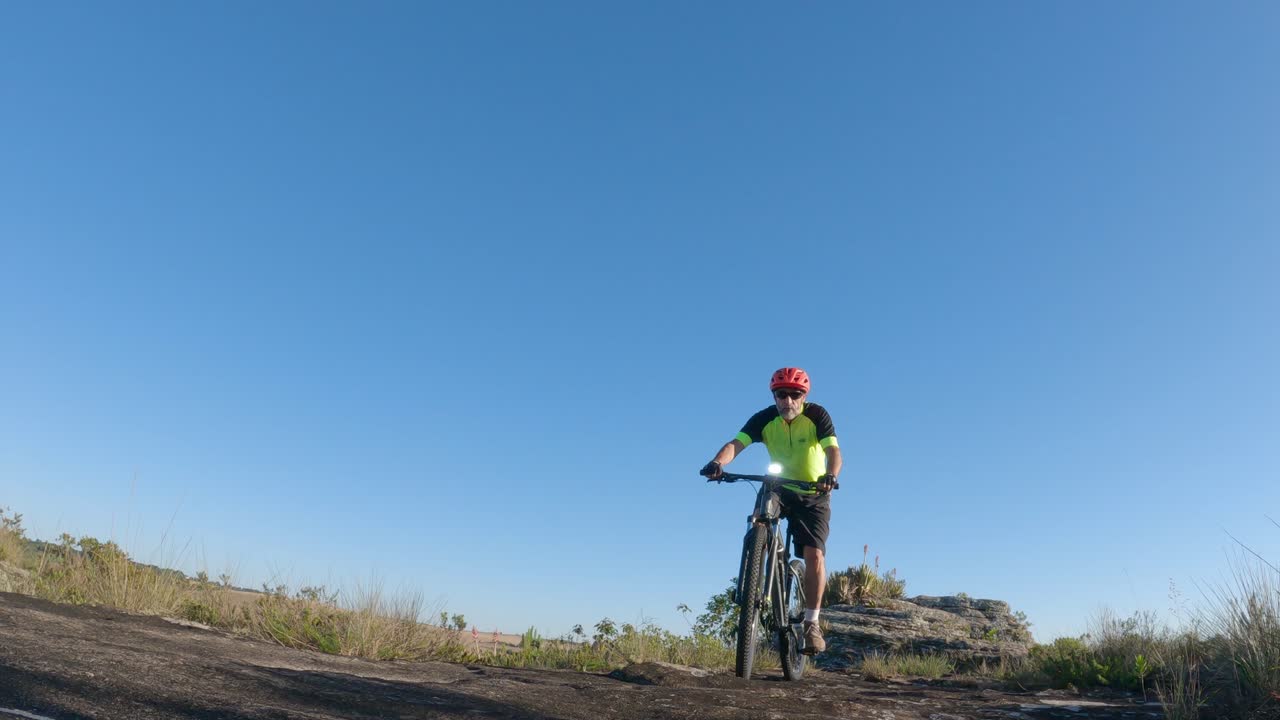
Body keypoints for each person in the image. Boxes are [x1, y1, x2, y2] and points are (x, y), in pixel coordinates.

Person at [700, 367, 841, 654]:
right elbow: (736, 443)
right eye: (781, 395)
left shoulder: (817, 416)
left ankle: (811, 624)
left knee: (814, 555)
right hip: (778, 486)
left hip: (813, 492)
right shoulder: (765, 418)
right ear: (774, 396)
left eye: (794, 395)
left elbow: (833, 451)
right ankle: (755, 572)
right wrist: (718, 463)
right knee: (759, 517)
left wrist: (830, 476)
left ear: (804, 396)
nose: (787, 401)